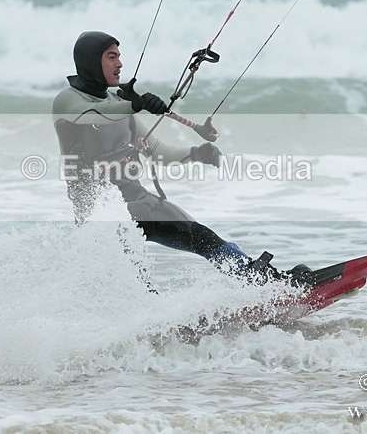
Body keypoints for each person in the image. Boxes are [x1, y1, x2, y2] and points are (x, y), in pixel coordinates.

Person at [51, 30, 310, 286]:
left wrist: (195, 153)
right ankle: (149, 318)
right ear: (90, 62)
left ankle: (263, 283)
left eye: (119, 56)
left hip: (140, 203)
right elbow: (95, 114)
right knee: (137, 287)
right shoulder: (67, 101)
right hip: (102, 214)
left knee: (202, 237)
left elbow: (157, 150)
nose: (119, 63)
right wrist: (134, 104)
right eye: (111, 57)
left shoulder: (117, 102)